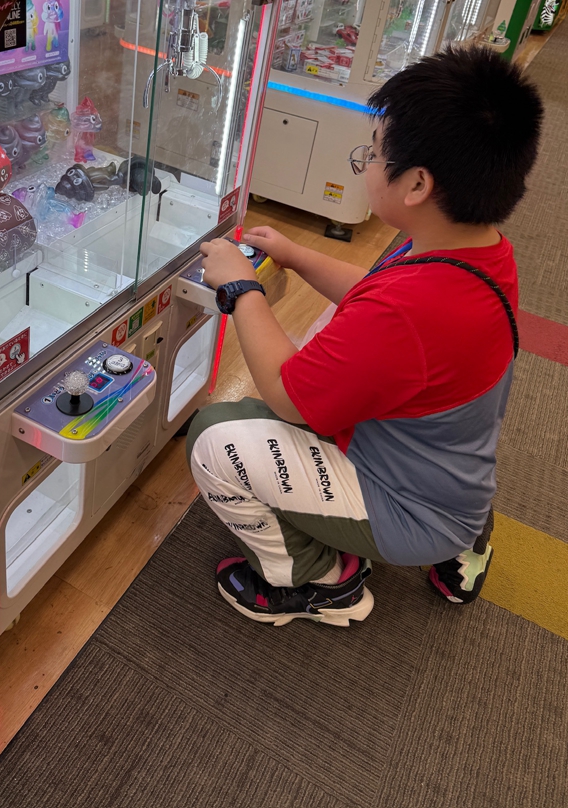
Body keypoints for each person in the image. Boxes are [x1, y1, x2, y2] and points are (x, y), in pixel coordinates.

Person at [187, 47, 542, 628]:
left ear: (418, 183)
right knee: (330, 353)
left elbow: (288, 394)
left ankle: (321, 584)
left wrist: (240, 287)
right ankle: (465, 539)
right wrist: (297, 255)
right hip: (453, 475)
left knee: (215, 437)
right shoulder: (474, 249)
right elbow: (373, 292)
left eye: (374, 153)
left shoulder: (409, 310)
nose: (367, 163)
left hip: (409, 504)